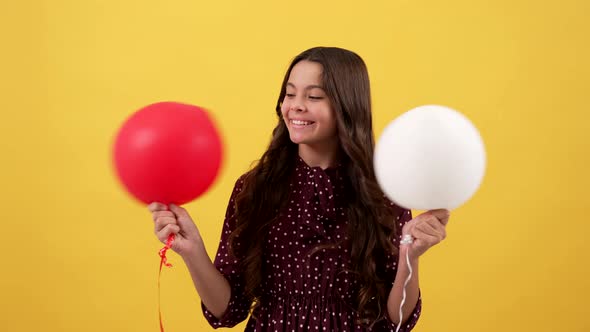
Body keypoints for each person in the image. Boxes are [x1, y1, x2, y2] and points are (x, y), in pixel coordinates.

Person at [148, 47, 450, 331]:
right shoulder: (255, 187)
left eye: (314, 96)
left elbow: (397, 321)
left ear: (347, 105)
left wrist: (411, 256)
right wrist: (193, 250)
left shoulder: (384, 192)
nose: (296, 106)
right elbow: (228, 310)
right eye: (289, 94)